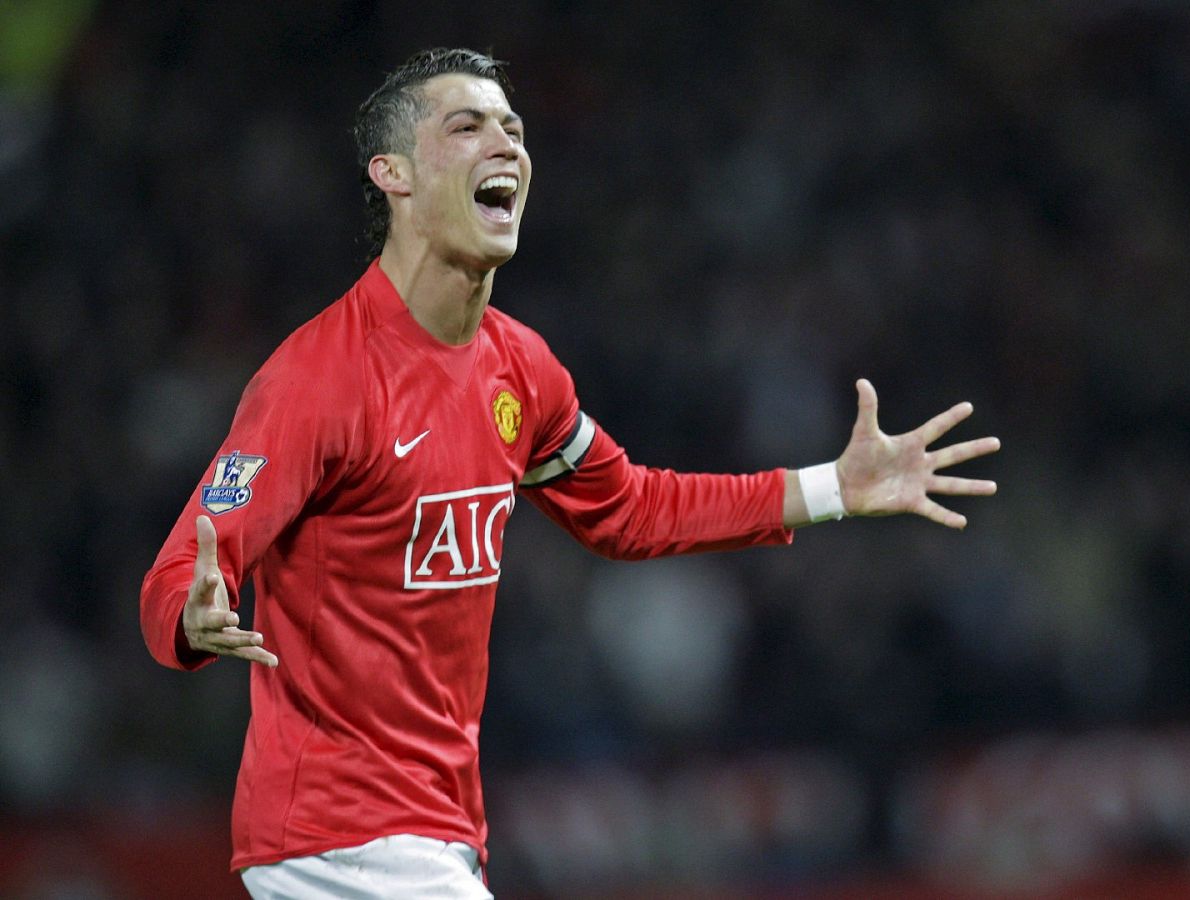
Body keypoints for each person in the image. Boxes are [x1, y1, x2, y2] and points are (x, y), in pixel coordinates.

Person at [139, 47, 999, 899]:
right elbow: (178, 570)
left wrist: (834, 489)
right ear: (393, 174)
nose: (505, 145)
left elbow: (630, 509)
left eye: (513, 129)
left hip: (435, 832)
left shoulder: (521, 369)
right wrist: (192, 615)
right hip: (340, 838)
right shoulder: (319, 378)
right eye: (467, 127)